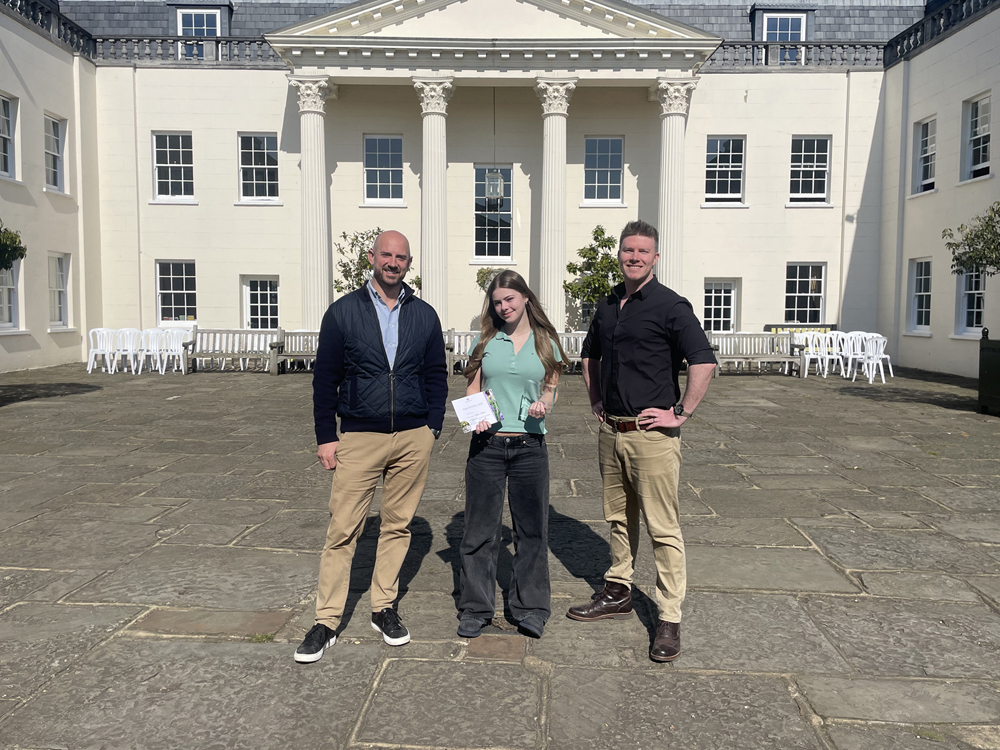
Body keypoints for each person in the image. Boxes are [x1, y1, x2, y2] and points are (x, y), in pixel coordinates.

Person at [566, 220, 716, 663]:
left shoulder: (671, 306)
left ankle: (669, 616)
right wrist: (595, 397)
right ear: (619, 254)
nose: (634, 257)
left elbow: (703, 361)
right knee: (617, 517)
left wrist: (680, 413)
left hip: (652, 436)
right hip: (611, 431)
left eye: (642, 251)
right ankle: (618, 590)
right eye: (628, 250)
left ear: (655, 257)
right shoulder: (608, 303)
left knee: (662, 527)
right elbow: (589, 355)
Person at [295, 230, 448, 663]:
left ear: (409, 263)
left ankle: (383, 607)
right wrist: (326, 436)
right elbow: (325, 379)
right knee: (343, 529)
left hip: (412, 437)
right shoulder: (343, 312)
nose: (393, 263)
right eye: (386, 255)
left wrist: (432, 427)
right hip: (359, 437)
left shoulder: (425, 314)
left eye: (401, 257)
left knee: (398, 526)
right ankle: (327, 620)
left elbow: (436, 374)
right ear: (372, 257)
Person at [456, 270, 569, 640]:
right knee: (479, 532)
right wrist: (476, 416)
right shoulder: (486, 340)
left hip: (529, 448)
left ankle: (531, 608)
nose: (504, 307)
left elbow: (551, 387)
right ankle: (475, 608)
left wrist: (544, 404)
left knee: (532, 532)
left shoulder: (545, 341)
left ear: (525, 298)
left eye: (510, 299)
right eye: (497, 302)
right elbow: (472, 386)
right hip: (487, 447)